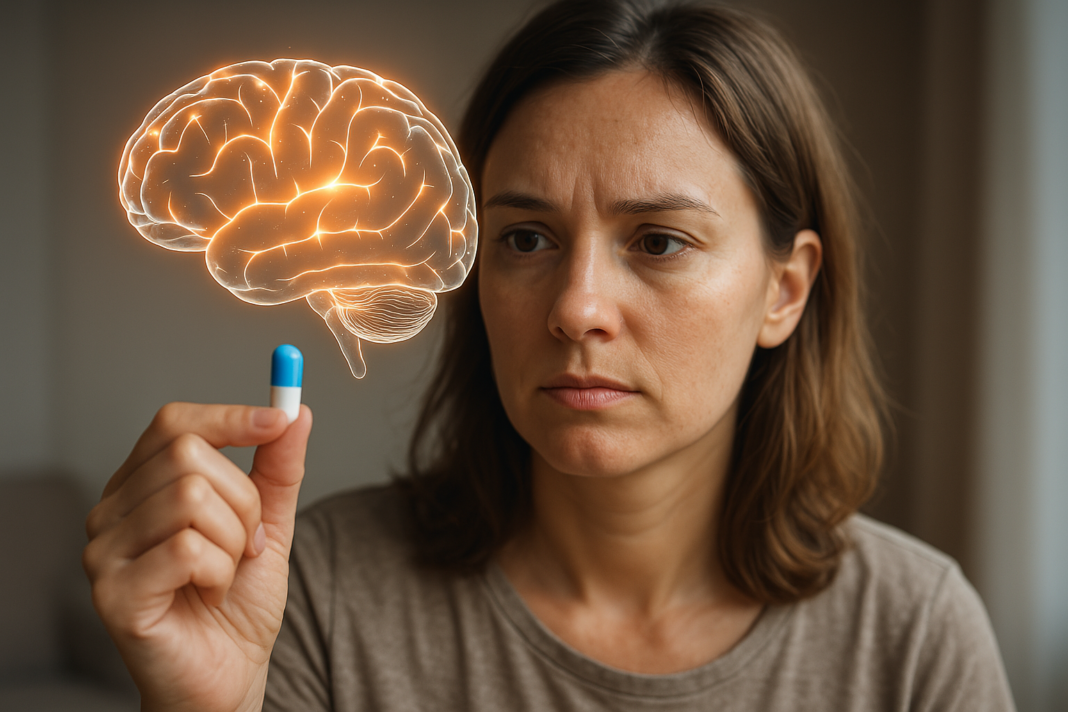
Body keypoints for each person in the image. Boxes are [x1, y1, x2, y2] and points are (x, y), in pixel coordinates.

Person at [83, 1, 1016, 710]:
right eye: (526, 240)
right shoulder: (314, 593)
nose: (576, 310)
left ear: (786, 288)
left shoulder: (912, 638)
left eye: (658, 241)